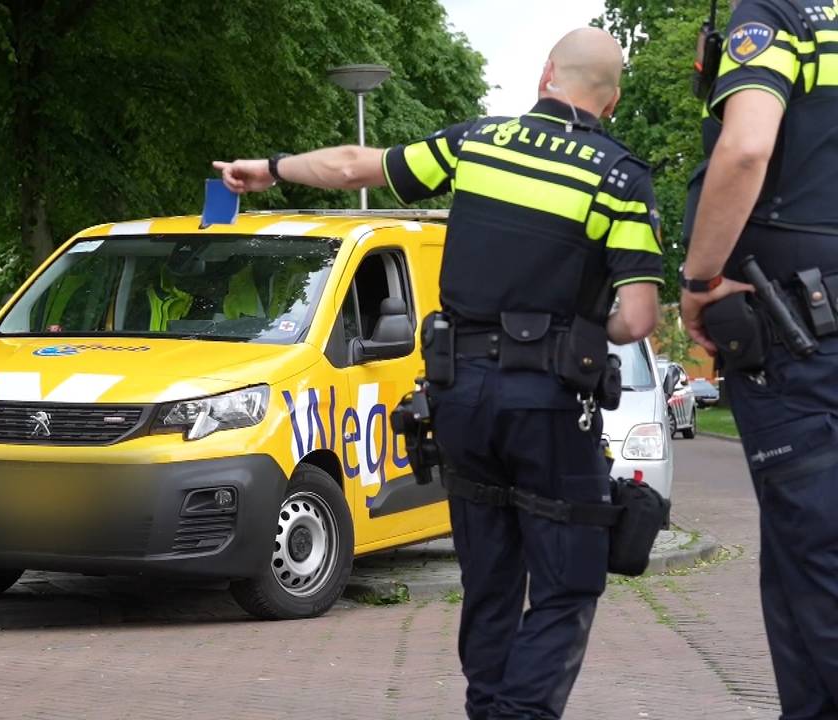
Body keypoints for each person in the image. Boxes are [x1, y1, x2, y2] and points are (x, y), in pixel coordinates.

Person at [214, 28, 662, 719]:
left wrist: (270, 168)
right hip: (547, 406)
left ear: (546, 74)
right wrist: (570, 322)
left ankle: (489, 707)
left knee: (488, 578)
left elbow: (355, 167)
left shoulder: (476, 143)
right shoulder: (620, 177)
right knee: (567, 583)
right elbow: (637, 317)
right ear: (614, 100)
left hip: (461, 398)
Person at [680, 0, 838, 715]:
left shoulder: (779, 16)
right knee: (798, 569)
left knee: (816, 564)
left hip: (807, 345)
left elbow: (746, 148)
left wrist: (699, 280)